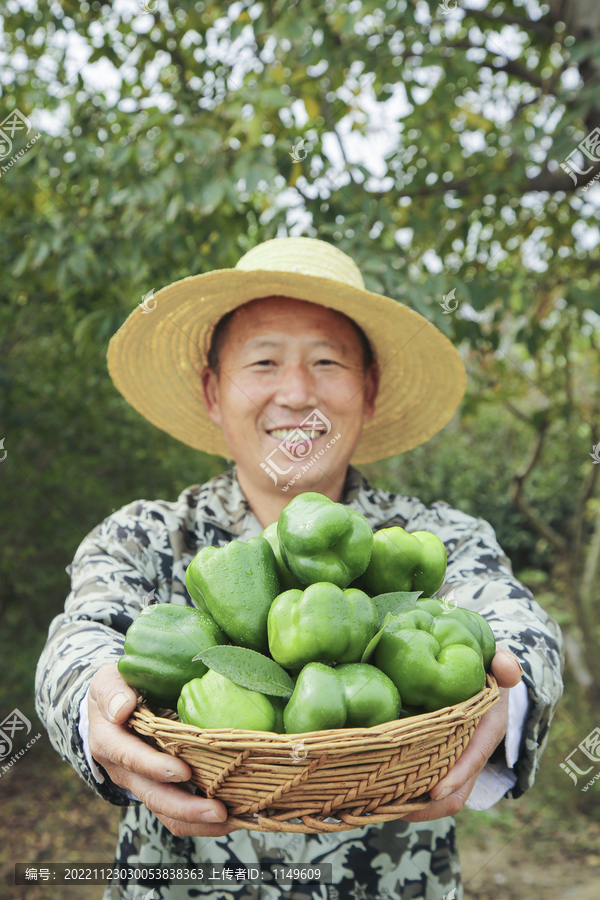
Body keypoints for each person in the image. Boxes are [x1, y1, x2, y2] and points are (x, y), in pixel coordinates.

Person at [35, 237, 564, 900]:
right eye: (263, 361)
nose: (297, 392)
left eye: (326, 361)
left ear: (367, 392)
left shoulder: (433, 538)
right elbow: (78, 637)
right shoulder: (145, 536)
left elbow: (522, 626)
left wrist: (507, 694)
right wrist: (94, 700)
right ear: (212, 391)